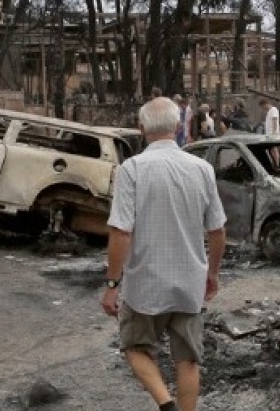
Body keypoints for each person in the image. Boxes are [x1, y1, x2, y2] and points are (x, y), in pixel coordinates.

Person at [102, 97, 227, 411]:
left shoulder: (132, 170)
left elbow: (120, 232)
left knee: (135, 348)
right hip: (189, 283)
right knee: (187, 361)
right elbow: (217, 231)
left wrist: (112, 285)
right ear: (178, 126)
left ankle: (165, 402)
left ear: (141, 128)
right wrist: (212, 273)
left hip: (145, 284)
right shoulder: (202, 169)